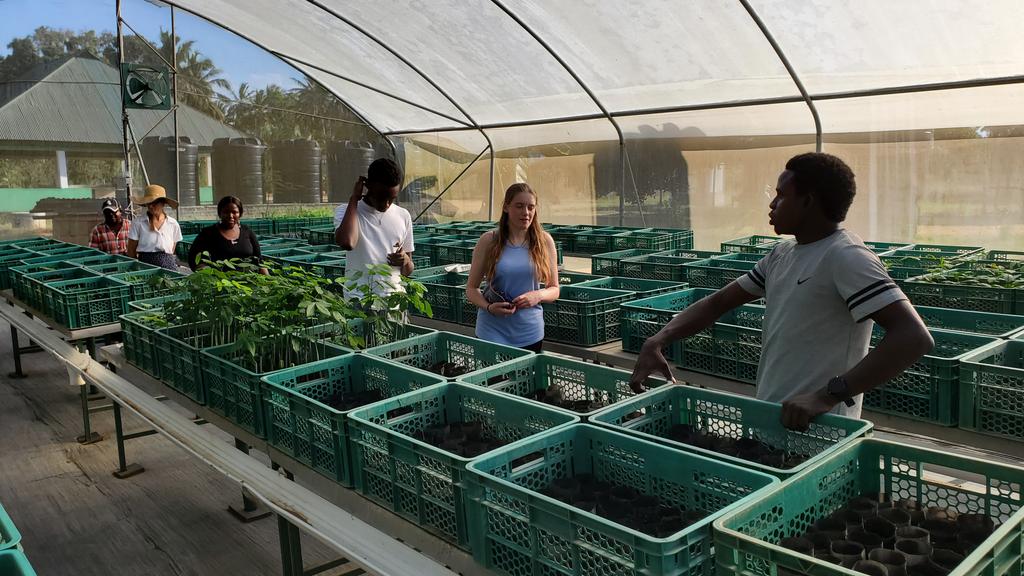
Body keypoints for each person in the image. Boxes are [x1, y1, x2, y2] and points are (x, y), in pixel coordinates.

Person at [629, 152, 934, 430]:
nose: (772, 204)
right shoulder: (782, 254)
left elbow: (913, 336)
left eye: (781, 195)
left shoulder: (846, 256)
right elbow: (719, 302)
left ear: (808, 201)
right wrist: (659, 339)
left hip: (819, 427)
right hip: (775, 415)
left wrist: (827, 395)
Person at [465, 183, 560, 352]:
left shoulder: (544, 241)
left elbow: (554, 289)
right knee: (493, 378)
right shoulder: (488, 240)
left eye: (531, 207)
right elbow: (471, 289)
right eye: (519, 206)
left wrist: (537, 295)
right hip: (491, 330)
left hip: (529, 331)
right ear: (506, 207)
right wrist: (489, 307)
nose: (526, 212)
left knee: (527, 378)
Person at [334, 158, 414, 296]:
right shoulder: (346, 211)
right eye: (382, 198)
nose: (387, 204)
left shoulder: (403, 215)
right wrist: (354, 198)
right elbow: (347, 242)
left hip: (394, 301)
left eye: (392, 198)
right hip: (358, 299)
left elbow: (407, 271)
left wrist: (405, 261)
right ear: (368, 185)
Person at [187, 196, 264, 272]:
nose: (230, 216)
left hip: (248, 281)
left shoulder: (247, 232)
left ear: (240, 214)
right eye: (226, 212)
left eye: (234, 212)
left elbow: (259, 261)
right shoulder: (208, 234)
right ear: (220, 213)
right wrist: (207, 274)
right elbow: (193, 259)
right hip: (220, 282)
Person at [127, 184, 182, 271]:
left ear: (163, 203)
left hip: (168, 265)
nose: (151, 206)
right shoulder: (138, 223)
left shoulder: (173, 224)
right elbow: (131, 250)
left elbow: (172, 249)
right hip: (145, 265)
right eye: (149, 203)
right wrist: (136, 268)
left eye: (154, 203)